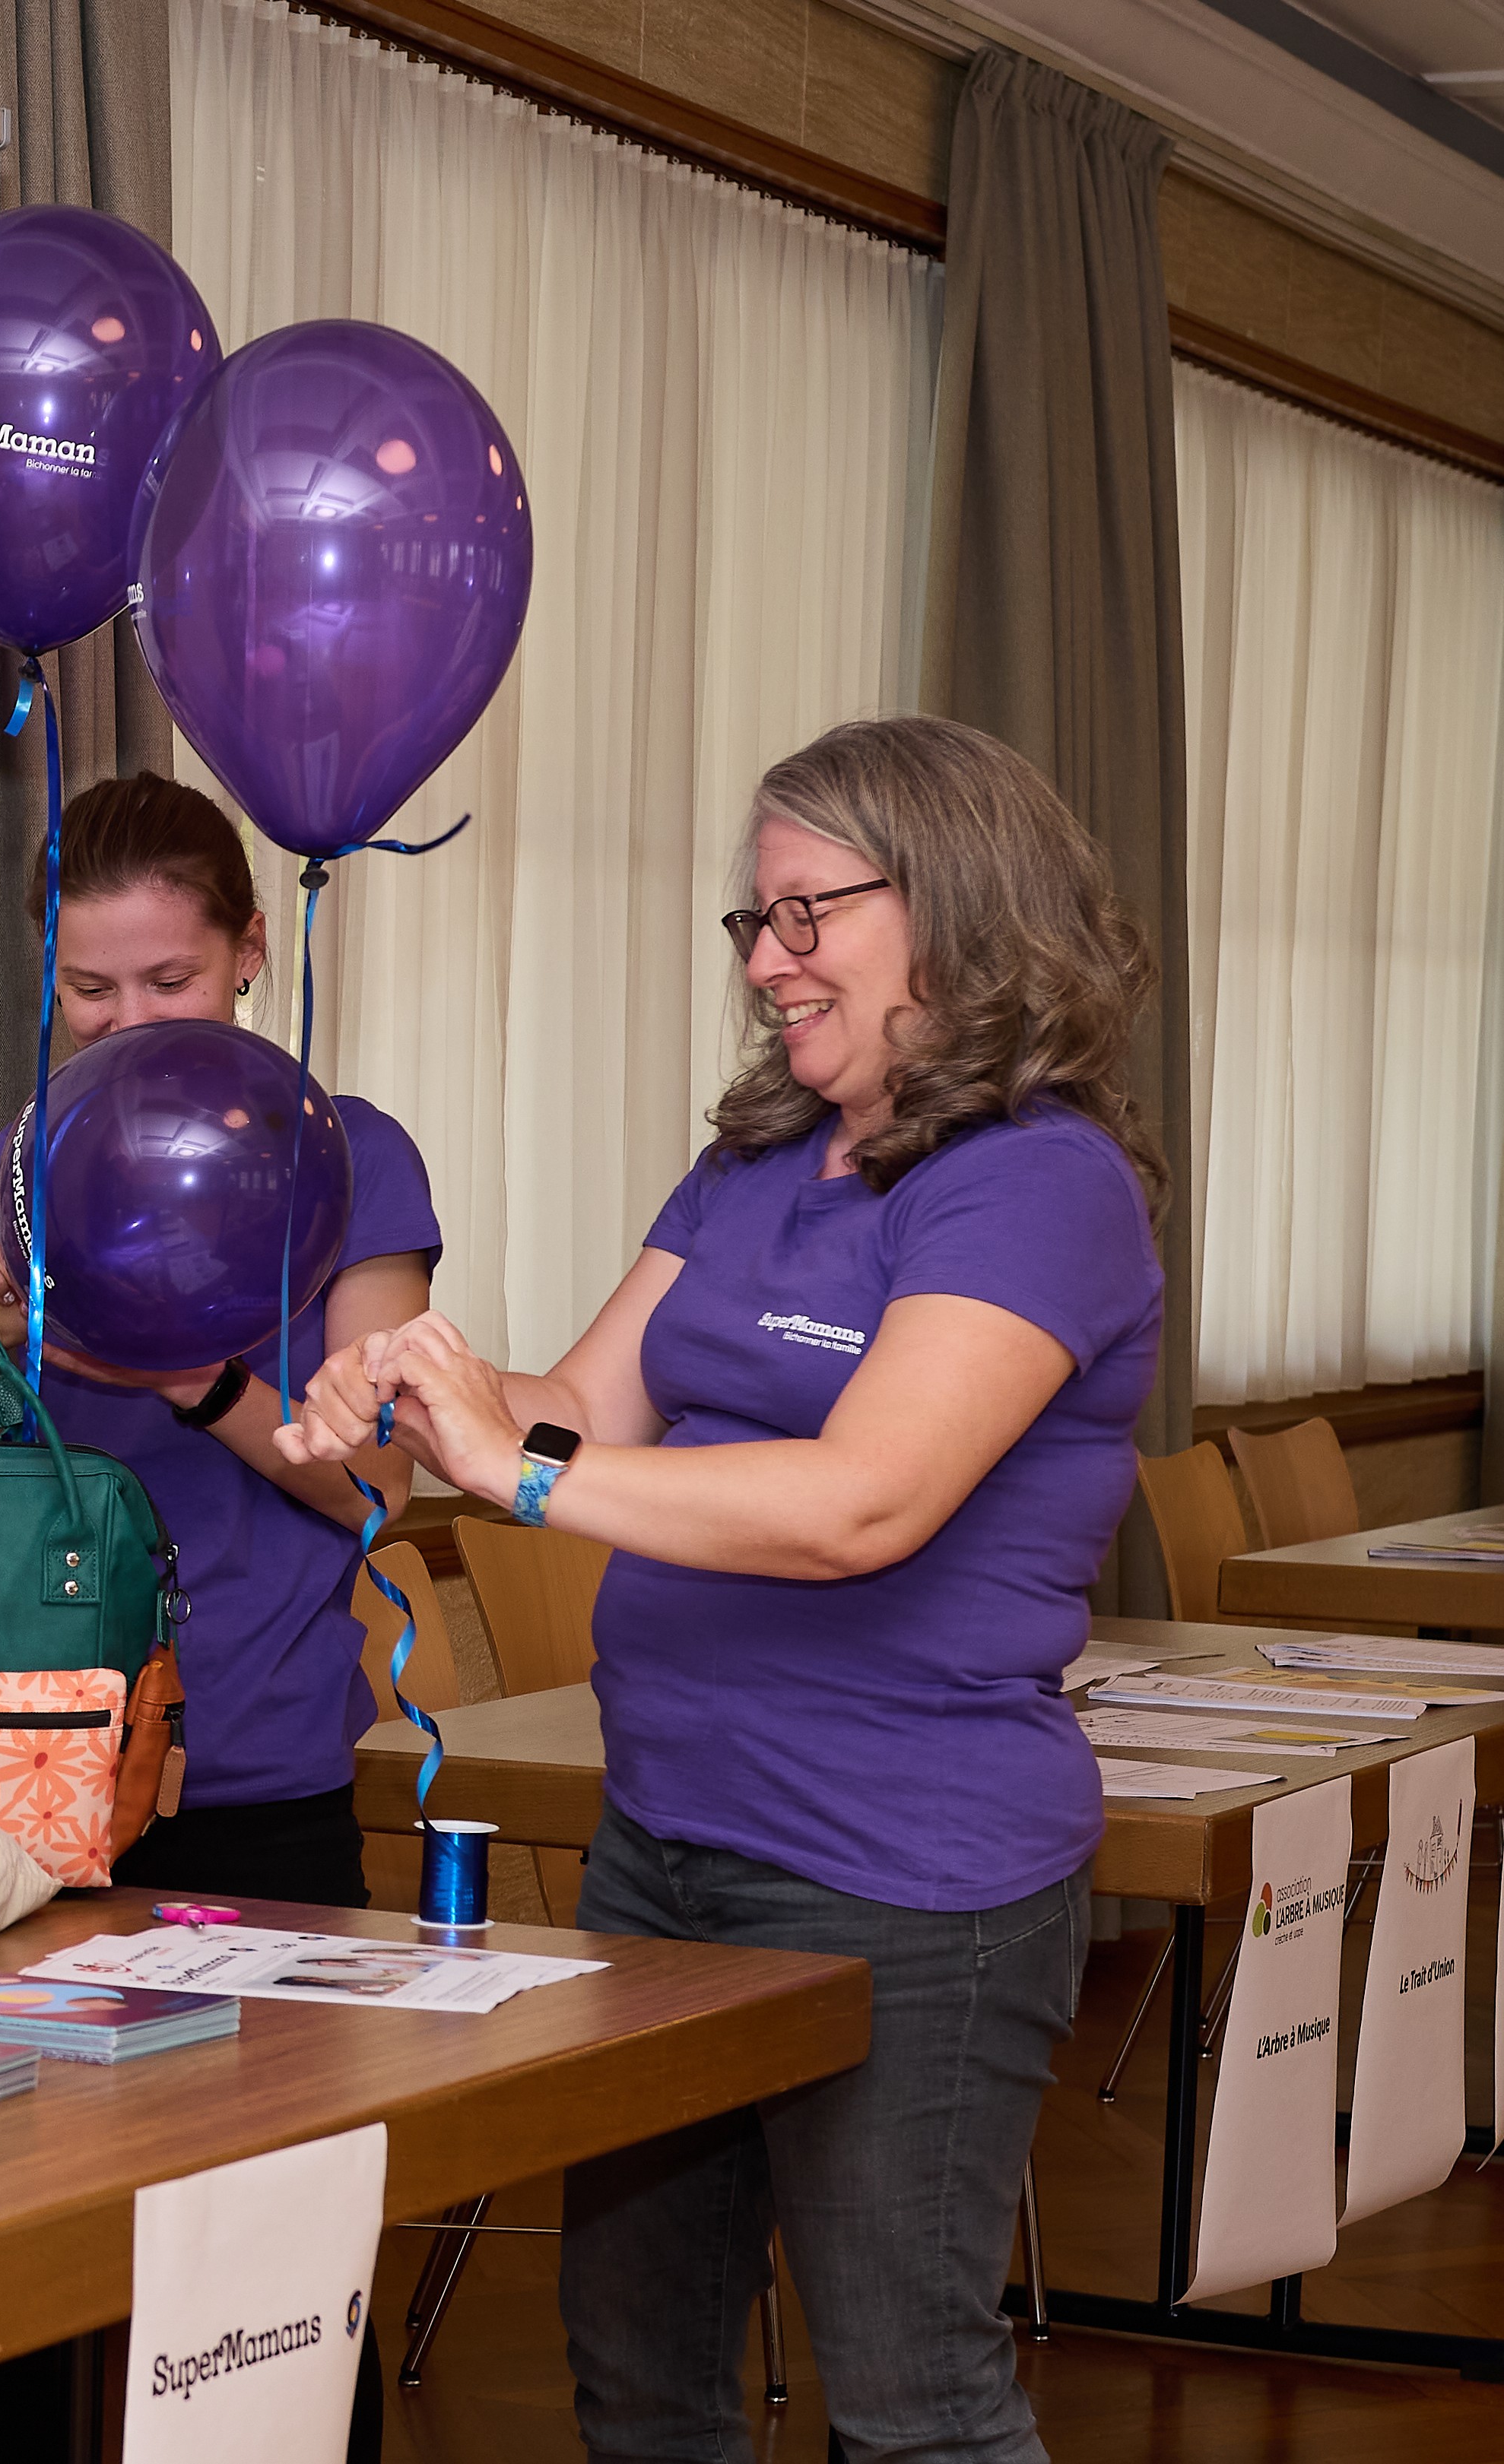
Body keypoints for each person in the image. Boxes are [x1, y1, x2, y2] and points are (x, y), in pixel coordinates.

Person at [282, 716, 1165, 2463]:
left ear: (954, 906)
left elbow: (861, 1504)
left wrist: (518, 1468)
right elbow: (585, 1410)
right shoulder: (759, 1158)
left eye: (805, 917)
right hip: (666, 1845)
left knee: (911, 2406)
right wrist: (418, 1381)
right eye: (751, 925)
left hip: (901, 1879)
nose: (767, 963)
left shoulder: (1041, 1182)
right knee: (640, 2372)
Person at [0, 772, 438, 1907]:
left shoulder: (350, 1164)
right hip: (10, 1782)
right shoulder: (9, 1178)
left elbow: (379, 1484)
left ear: (250, 949)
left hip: (259, 1791)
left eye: (171, 980)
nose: (129, 1023)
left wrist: (194, 1381)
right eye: (90, 988)